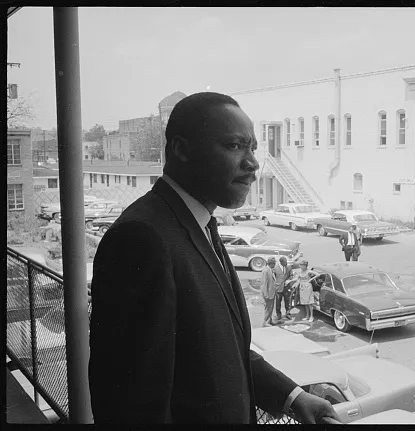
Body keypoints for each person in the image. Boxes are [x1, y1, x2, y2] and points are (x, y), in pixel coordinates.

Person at [89, 92, 338, 424]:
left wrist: (292, 396)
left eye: (252, 148)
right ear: (181, 149)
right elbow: (129, 401)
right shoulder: (142, 238)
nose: (251, 163)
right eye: (235, 146)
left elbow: (217, 350)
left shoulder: (199, 222)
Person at [274, 256, 294, 321]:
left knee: (287, 301)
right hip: (278, 287)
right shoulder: (275, 268)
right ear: (281, 262)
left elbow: (291, 275)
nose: (286, 264)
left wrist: (289, 280)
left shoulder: (289, 267)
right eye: (285, 262)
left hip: (286, 287)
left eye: (286, 262)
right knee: (278, 302)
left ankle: (288, 313)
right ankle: (279, 315)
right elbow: (273, 277)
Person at [261, 257, 278, 327]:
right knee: (268, 308)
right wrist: (266, 294)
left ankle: (269, 320)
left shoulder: (270, 270)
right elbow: (264, 283)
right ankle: (265, 321)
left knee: (271, 307)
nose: (275, 264)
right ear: (271, 263)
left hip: (272, 292)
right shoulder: (266, 271)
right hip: (268, 293)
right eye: (274, 263)